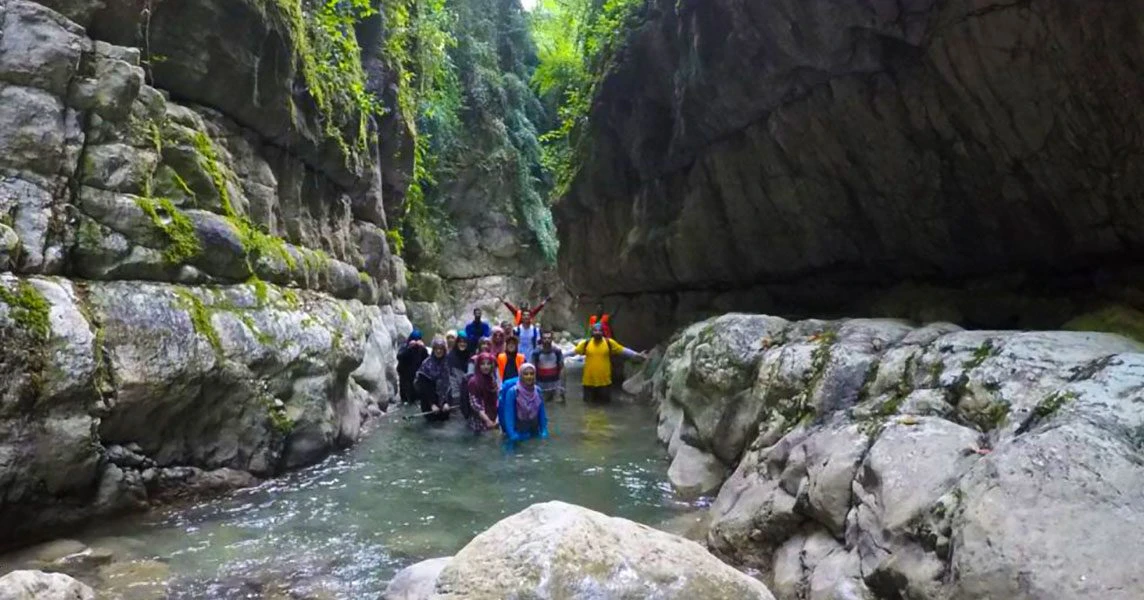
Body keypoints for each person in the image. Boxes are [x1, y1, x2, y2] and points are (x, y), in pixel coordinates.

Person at [574, 323, 645, 403]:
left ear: (603, 332)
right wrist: (563, 354)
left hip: (604, 382)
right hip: (588, 382)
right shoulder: (586, 343)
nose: (597, 332)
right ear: (592, 333)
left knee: (604, 405)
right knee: (588, 405)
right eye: (595, 331)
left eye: (600, 331)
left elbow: (623, 350)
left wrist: (637, 355)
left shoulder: (609, 343)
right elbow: (574, 352)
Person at [498, 364, 548, 442]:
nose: (529, 376)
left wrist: (544, 431)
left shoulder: (538, 390)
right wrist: (513, 435)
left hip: (533, 431)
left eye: (532, 374)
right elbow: (509, 416)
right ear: (521, 375)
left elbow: (542, 414)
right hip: (517, 432)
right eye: (526, 374)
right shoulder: (513, 392)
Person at [414, 337, 452, 422]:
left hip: (445, 404)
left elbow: (449, 384)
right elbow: (424, 388)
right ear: (433, 349)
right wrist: (432, 404)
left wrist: (447, 402)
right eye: (436, 348)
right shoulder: (426, 365)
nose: (438, 351)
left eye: (441, 349)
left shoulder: (448, 363)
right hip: (429, 404)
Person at [466, 353, 499, 434]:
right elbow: (475, 404)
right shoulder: (473, 382)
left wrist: (497, 419)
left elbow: (497, 400)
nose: (486, 367)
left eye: (488, 364)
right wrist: (487, 420)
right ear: (478, 366)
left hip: (493, 418)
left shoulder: (493, 380)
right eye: (483, 364)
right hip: (479, 422)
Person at [531, 330, 565, 403]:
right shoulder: (536, 352)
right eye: (545, 338)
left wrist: (562, 386)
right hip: (541, 384)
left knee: (557, 405)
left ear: (552, 339)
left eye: (549, 338)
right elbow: (533, 369)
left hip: (556, 384)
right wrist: (533, 385)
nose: (547, 340)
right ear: (541, 339)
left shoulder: (557, 351)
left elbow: (562, 368)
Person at [396, 330, 428, 404]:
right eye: (414, 339)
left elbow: (427, 360)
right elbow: (399, 356)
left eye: (418, 340)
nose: (416, 342)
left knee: (418, 397)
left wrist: (424, 348)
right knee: (406, 398)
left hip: (417, 377)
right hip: (405, 377)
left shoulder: (422, 349)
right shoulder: (405, 346)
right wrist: (409, 348)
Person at [446, 336, 473, 419]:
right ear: (457, 343)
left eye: (464, 342)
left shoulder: (471, 355)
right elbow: (450, 377)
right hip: (455, 391)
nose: (462, 344)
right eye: (460, 342)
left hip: (468, 391)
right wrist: (456, 396)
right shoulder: (451, 357)